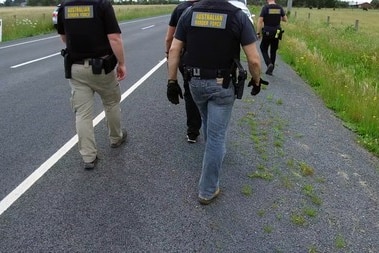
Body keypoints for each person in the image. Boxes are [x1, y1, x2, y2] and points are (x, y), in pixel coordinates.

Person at [167, 0, 262, 205]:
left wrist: (172, 81)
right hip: (222, 85)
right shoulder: (238, 16)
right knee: (217, 136)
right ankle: (208, 190)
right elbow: (253, 59)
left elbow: (174, 49)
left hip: (195, 83)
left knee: (209, 124)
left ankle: (215, 153)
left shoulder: (189, 13)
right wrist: (256, 80)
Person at [57, 0, 127, 170]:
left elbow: (64, 37)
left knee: (82, 113)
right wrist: (122, 63)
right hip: (102, 67)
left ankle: (88, 157)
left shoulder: (64, 7)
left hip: (76, 68)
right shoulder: (102, 5)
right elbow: (114, 38)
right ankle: (116, 138)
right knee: (111, 103)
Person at [165, 0, 202, 143]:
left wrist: (168, 54)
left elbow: (170, 37)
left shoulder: (180, 9)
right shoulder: (211, 8)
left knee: (190, 90)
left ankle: (193, 131)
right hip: (211, 58)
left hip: (186, 57)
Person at [257, 0, 287, 75]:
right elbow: (285, 19)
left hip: (267, 31)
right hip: (277, 32)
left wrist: (258, 33)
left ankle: (269, 63)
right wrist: (278, 18)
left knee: (263, 48)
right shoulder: (279, 8)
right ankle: (271, 69)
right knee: (273, 50)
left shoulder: (265, 8)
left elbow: (260, 21)